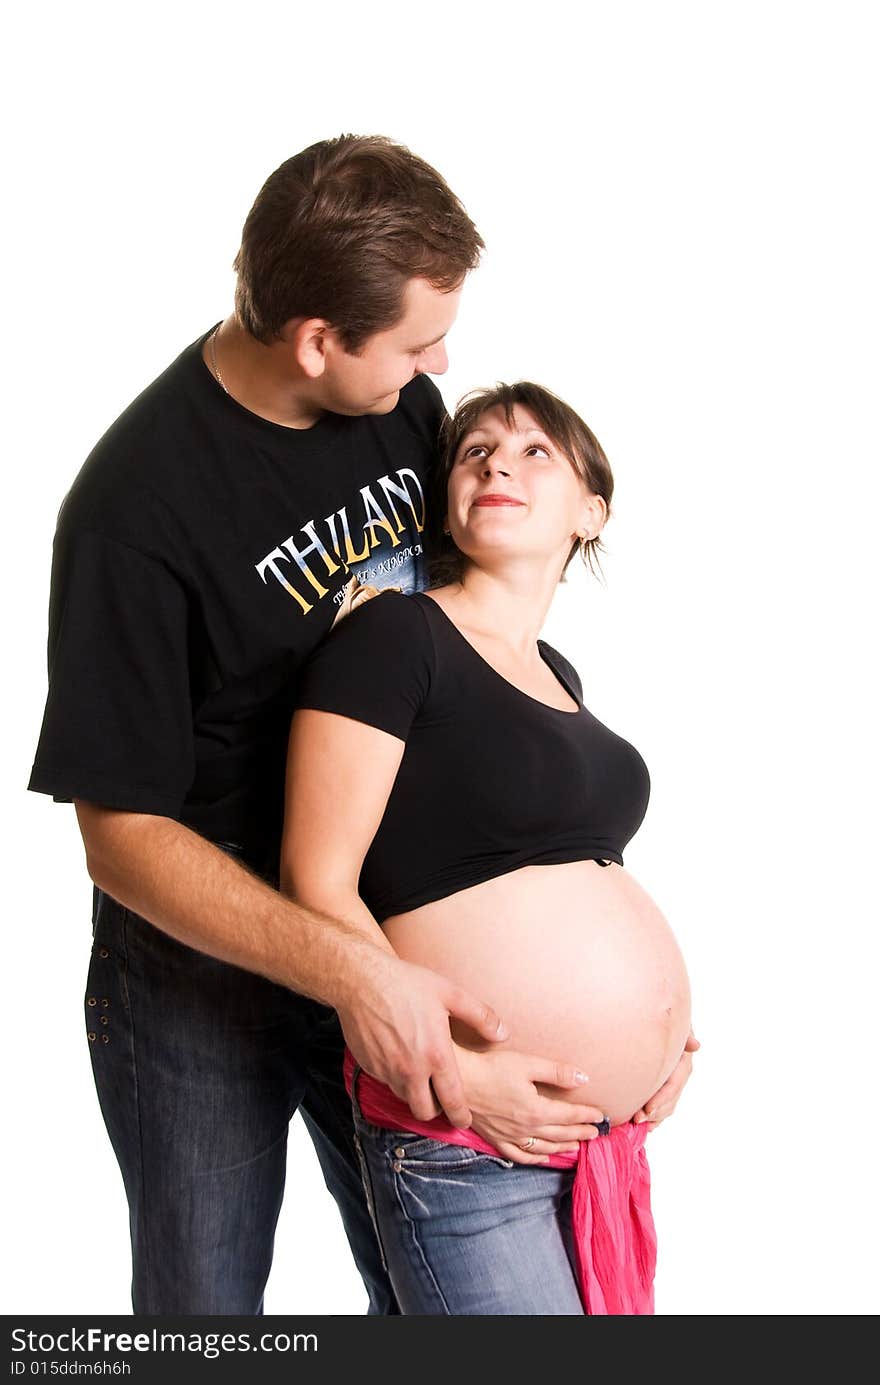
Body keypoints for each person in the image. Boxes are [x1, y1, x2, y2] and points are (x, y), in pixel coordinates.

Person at [27, 134, 529, 1315]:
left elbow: (456, 642)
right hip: (202, 969)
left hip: (379, 909)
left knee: (436, 1286)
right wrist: (343, 970)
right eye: (415, 342)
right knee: (205, 1319)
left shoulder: (396, 407)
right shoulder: (131, 514)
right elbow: (125, 834)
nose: (438, 366)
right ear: (316, 339)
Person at [282, 381, 699, 1314]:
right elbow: (316, 881)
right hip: (470, 1135)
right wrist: (454, 1074)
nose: (496, 463)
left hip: (587, 1133)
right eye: (474, 452)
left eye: (533, 450)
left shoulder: (559, 675)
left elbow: (572, 880)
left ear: (593, 510)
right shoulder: (396, 635)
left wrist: (658, 1039)